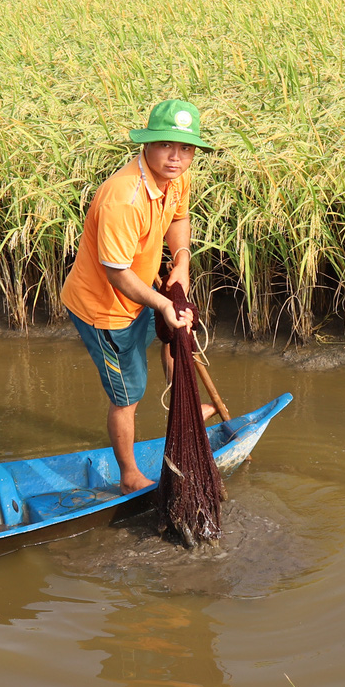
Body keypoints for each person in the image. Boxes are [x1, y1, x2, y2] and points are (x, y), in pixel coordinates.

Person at [60, 99, 219, 492]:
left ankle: (182, 408)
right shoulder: (123, 198)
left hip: (144, 293)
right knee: (127, 394)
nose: (176, 157)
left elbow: (179, 218)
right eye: (167, 145)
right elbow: (115, 272)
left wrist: (180, 263)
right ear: (147, 145)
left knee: (172, 338)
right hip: (105, 311)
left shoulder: (175, 177)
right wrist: (163, 302)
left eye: (185, 149)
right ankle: (129, 474)